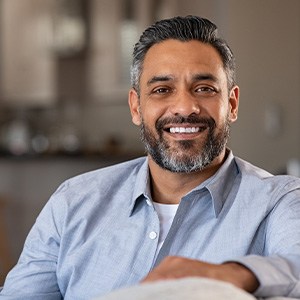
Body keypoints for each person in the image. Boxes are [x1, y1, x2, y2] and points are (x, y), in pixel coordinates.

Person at [0, 15, 300, 300]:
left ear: (231, 104)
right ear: (136, 107)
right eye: (162, 89)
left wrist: (232, 275)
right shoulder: (72, 202)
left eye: (205, 88)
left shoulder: (279, 201)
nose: (185, 106)